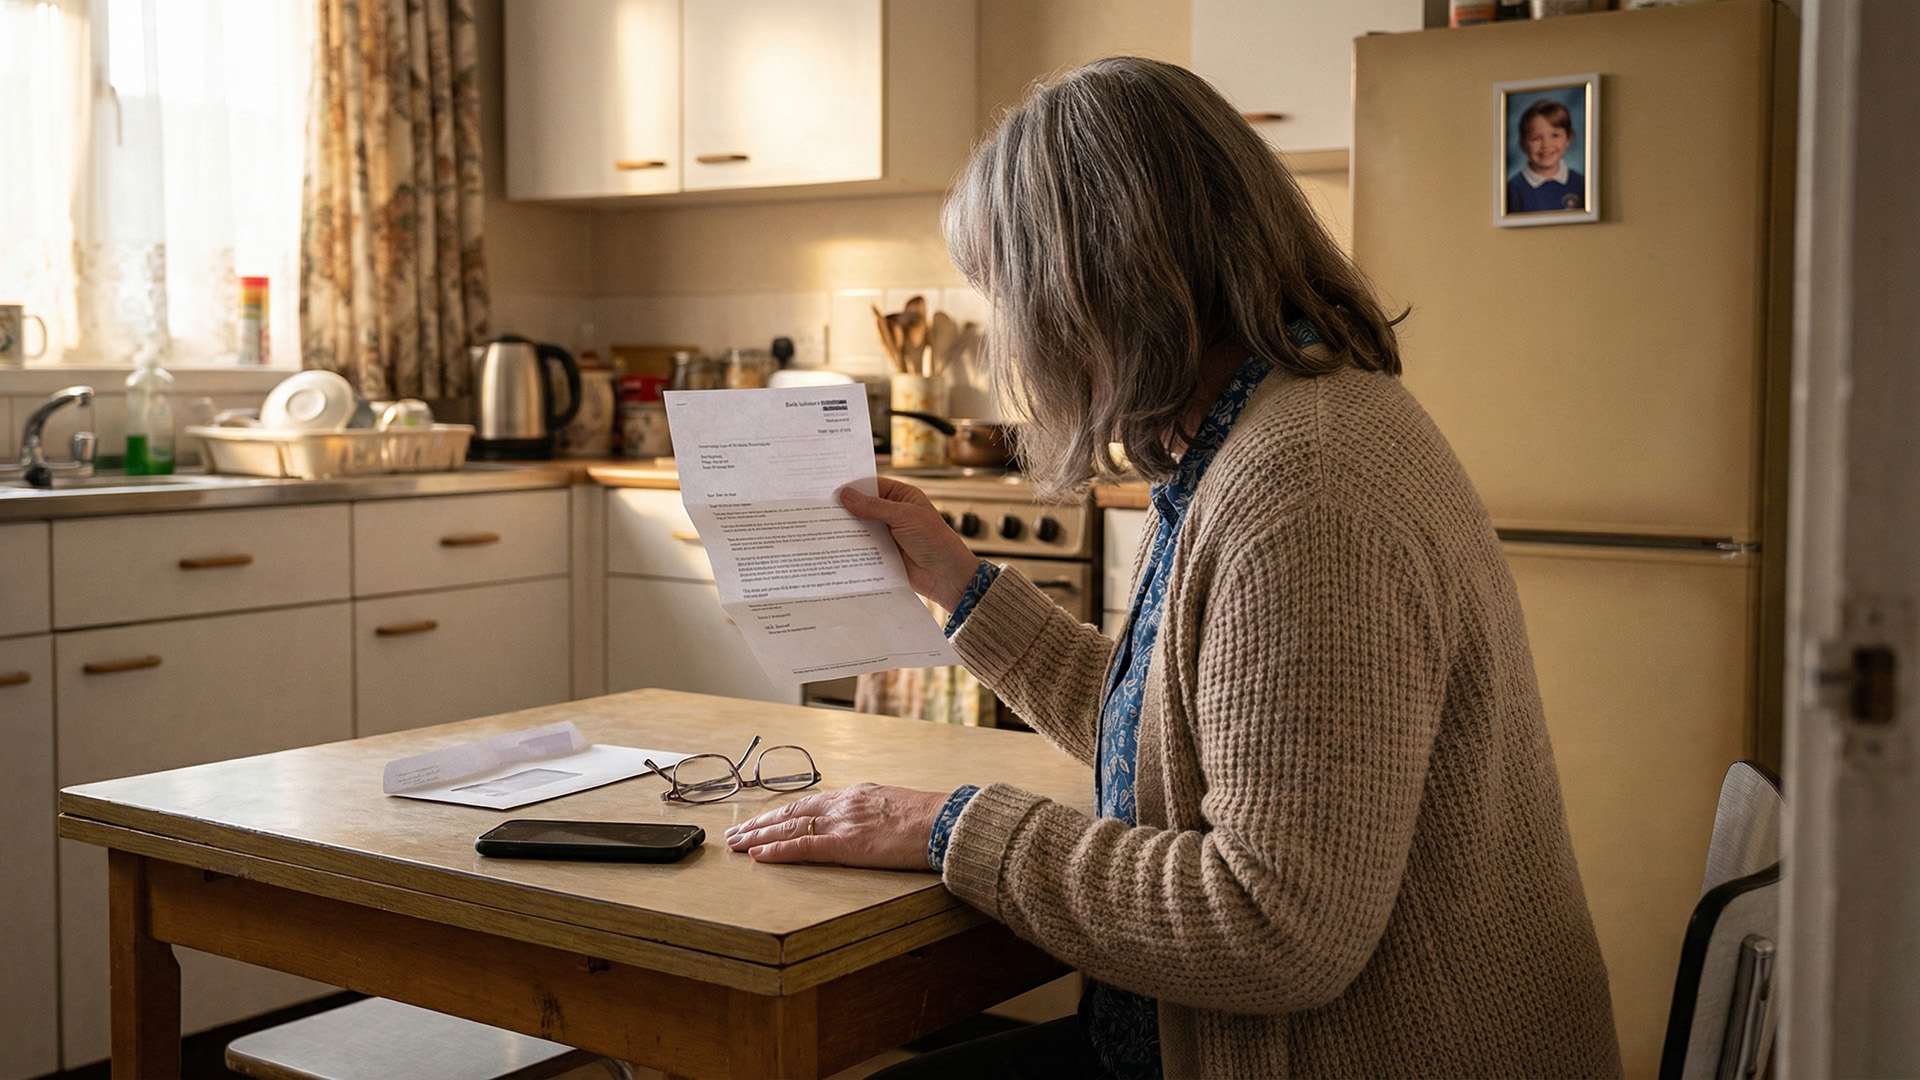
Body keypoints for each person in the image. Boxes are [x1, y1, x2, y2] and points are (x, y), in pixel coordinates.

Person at [725, 56, 1621, 1079]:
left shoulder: (1305, 487)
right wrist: (961, 587)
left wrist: (947, 824)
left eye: (1007, 295)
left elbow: (1271, 925)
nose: (1014, 337)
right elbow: (1173, 728)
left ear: (1091, 288)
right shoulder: (1265, 426)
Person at [1507, 96, 1586, 213]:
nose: (1546, 145)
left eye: (1555, 136)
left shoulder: (1581, 184)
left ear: (1569, 139)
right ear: (1523, 144)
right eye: (1536, 138)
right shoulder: (1512, 190)